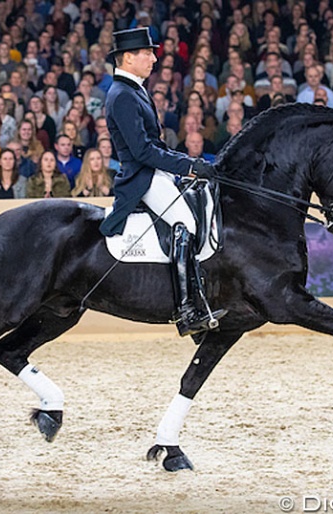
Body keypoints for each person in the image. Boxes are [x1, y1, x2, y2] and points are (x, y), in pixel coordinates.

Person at [102, 28, 225, 337]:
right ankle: (186, 309)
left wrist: (190, 164)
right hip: (141, 176)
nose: (154, 59)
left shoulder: (135, 89)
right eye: (148, 53)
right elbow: (143, 151)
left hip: (154, 170)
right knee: (186, 221)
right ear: (129, 57)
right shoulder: (122, 95)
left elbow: (155, 145)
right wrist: (188, 166)